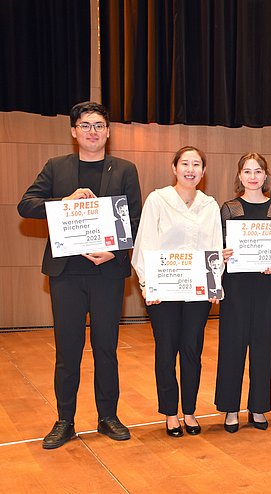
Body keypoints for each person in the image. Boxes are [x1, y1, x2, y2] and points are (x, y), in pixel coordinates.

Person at [18, 101, 141, 449]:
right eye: (85, 125)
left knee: (106, 347)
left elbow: (135, 219)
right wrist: (63, 201)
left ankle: (108, 417)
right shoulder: (57, 167)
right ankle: (65, 421)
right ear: (74, 131)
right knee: (67, 350)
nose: (93, 131)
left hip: (107, 271)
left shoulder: (125, 169)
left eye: (99, 125)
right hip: (67, 273)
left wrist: (115, 252)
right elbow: (26, 204)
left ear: (108, 131)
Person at [131, 146, 223, 438]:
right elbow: (144, 245)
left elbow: (215, 247)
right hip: (164, 292)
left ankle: (190, 411)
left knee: (192, 351)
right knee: (166, 350)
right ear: (174, 168)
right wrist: (148, 286)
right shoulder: (157, 200)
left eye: (197, 164)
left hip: (197, 292)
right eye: (185, 163)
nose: (191, 169)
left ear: (203, 171)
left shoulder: (210, 205)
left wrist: (214, 284)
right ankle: (171, 413)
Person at [215, 153, 271, 432]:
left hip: (264, 286)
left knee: (262, 347)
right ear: (240, 175)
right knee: (232, 347)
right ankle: (230, 408)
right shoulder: (229, 208)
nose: (253, 176)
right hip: (235, 287)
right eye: (248, 171)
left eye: (258, 171)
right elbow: (219, 246)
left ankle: (258, 407)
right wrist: (224, 253)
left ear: (266, 176)